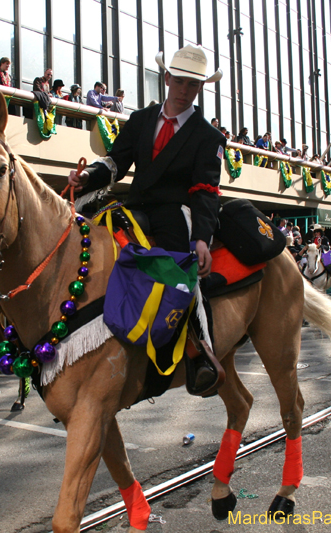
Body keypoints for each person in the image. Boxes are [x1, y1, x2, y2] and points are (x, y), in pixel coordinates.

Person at [68, 44, 225, 396]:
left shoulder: (209, 136)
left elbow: (205, 190)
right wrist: (88, 177)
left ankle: (200, 352)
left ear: (200, 88)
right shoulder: (140, 119)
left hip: (175, 213)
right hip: (134, 207)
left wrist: (202, 237)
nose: (185, 91)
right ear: (167, 78)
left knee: (184, 275)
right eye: (180, 81)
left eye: (194, 85)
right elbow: (114, 163)